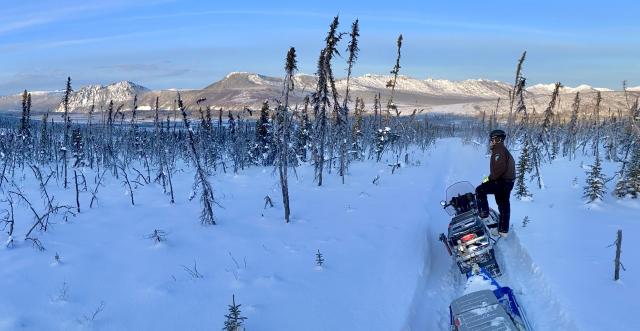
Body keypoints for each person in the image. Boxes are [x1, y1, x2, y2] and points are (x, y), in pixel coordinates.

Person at [476, 129, 516, 237]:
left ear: (497, 139)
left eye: (492, 139)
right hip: (507, 182)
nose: (491, 141)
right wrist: (486, 179)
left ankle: (483, 214)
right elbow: (496, 172)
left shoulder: (499, 150)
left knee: (480, 190)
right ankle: (503, 230)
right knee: (503, 205)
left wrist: (487, 181)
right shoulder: (502, 150)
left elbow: (499, 169)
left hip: (502, 182)